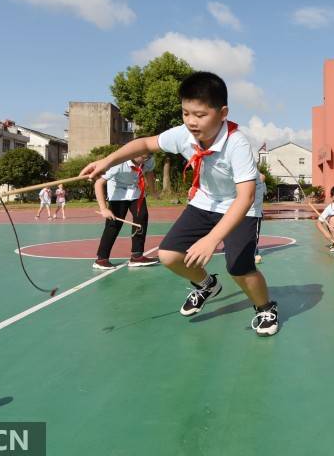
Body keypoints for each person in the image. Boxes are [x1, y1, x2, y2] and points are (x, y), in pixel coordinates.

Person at [80, 72, 278, 336]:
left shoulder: (237, 144)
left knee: (239, 268)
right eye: (186, 113)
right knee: (169, 256)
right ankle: (207, 285)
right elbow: (145, 143)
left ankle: (265, 307)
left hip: (240, 207)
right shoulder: (183, 134)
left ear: (222, 113)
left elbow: (246, 197)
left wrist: (211, 239)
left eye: (199, 115)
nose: (191, 121)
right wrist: (108, 161)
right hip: (205, 200)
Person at [92, 153, 157, 269]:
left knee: (141, 217)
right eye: (143, 156)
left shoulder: (149, 159)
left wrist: (153, 191)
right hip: (118, 192)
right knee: (114, 224)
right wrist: (104, 209)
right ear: (135, 151)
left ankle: (137, 256)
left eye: (149, 155)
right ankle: (101, 259)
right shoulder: (117, 163)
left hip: (135, 190)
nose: (146, 158)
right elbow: (98, 183)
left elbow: (150, 172)